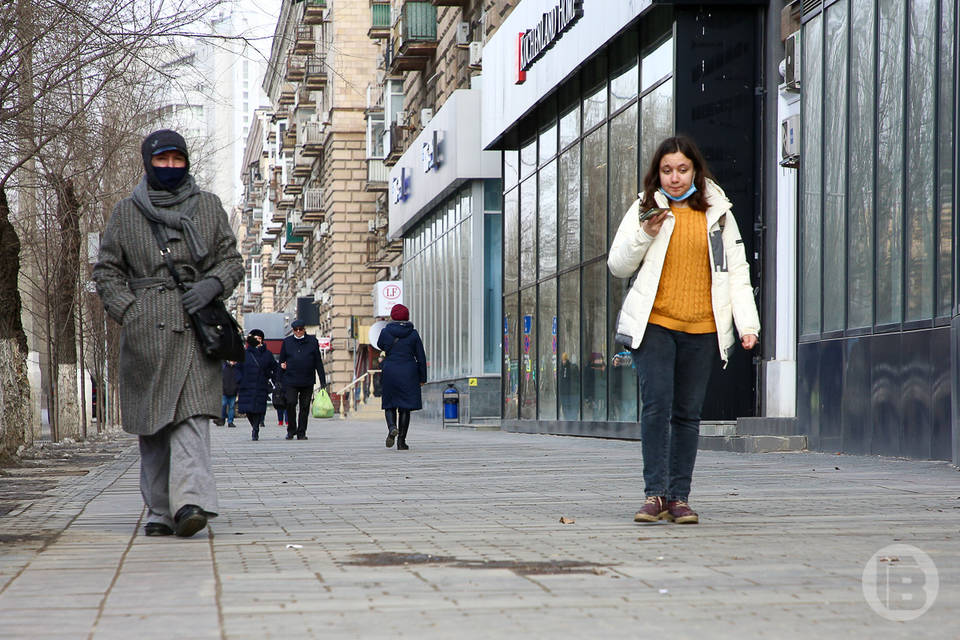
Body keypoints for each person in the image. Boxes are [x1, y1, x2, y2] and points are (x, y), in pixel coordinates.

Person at [93, 129, 243, 538]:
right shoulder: (126, 213)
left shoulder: (209, 207)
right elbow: (106, 270)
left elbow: (231, 260)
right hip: (146, 333)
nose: (171, 168)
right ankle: (159, 509)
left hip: (196, 330)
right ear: (148, 162)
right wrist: (129, 310)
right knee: (153, 426)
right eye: (163, 161)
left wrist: (211, 286)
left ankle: (191, 503)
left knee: (192, 417)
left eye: (178, 160)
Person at [607, 135, 760, 526]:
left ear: (696, 170)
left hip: (703, 329)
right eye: (667, 170)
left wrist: (747, 324)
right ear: (657, 173)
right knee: (656, 406)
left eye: (682, 169)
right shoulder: (646, 208)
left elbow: (737, 273)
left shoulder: (718, 213)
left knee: (687, 414)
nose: (675, 178)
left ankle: (679, 498)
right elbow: (617, 265)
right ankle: (654, 495)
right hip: (655, 323)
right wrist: (646, 234)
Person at [376, 304, 427, 450]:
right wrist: (422, 377)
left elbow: (381, 345)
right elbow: (421, 357)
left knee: (390, 404)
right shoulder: (413, 333)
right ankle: (401, 442)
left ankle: (392, 427)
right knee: (405, 407)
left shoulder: (386, 332)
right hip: (409, 372)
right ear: (407, 316)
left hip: (390, 370)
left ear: (392, 316)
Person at [279, 318, 327, 440]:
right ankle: (291, 430)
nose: (299, 332)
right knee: (290, 403)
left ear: (304, 329)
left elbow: (318, 362)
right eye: (296, 330)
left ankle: (301, 432)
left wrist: (323, 381)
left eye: (301, 329)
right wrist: (280, 377)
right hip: (291, 380)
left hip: (307, 380)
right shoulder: (287, 342)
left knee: (304, 406)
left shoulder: (312, 341)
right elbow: (281, 361)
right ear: (293, 330)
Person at [237, 329, 277, 441]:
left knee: (259, 409)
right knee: (248, 410)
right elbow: (238, 368)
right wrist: (239, 380)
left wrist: (275, 380)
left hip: (261, 385)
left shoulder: (267, 354)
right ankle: (253, 425)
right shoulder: (244, 353)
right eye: (255, 338)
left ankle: (255, 429)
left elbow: (274, 368)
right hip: (246, 385)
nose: (258, 341)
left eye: (260, 339)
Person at [217, 360, 242, 428]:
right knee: (223, 405)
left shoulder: (236, 369)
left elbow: (239, 380)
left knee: (231, 407)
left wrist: (237, 389)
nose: (233, 362)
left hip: (233, 391)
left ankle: (230, 421)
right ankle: (222, 418)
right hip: (224, 391)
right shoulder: (224, 368)